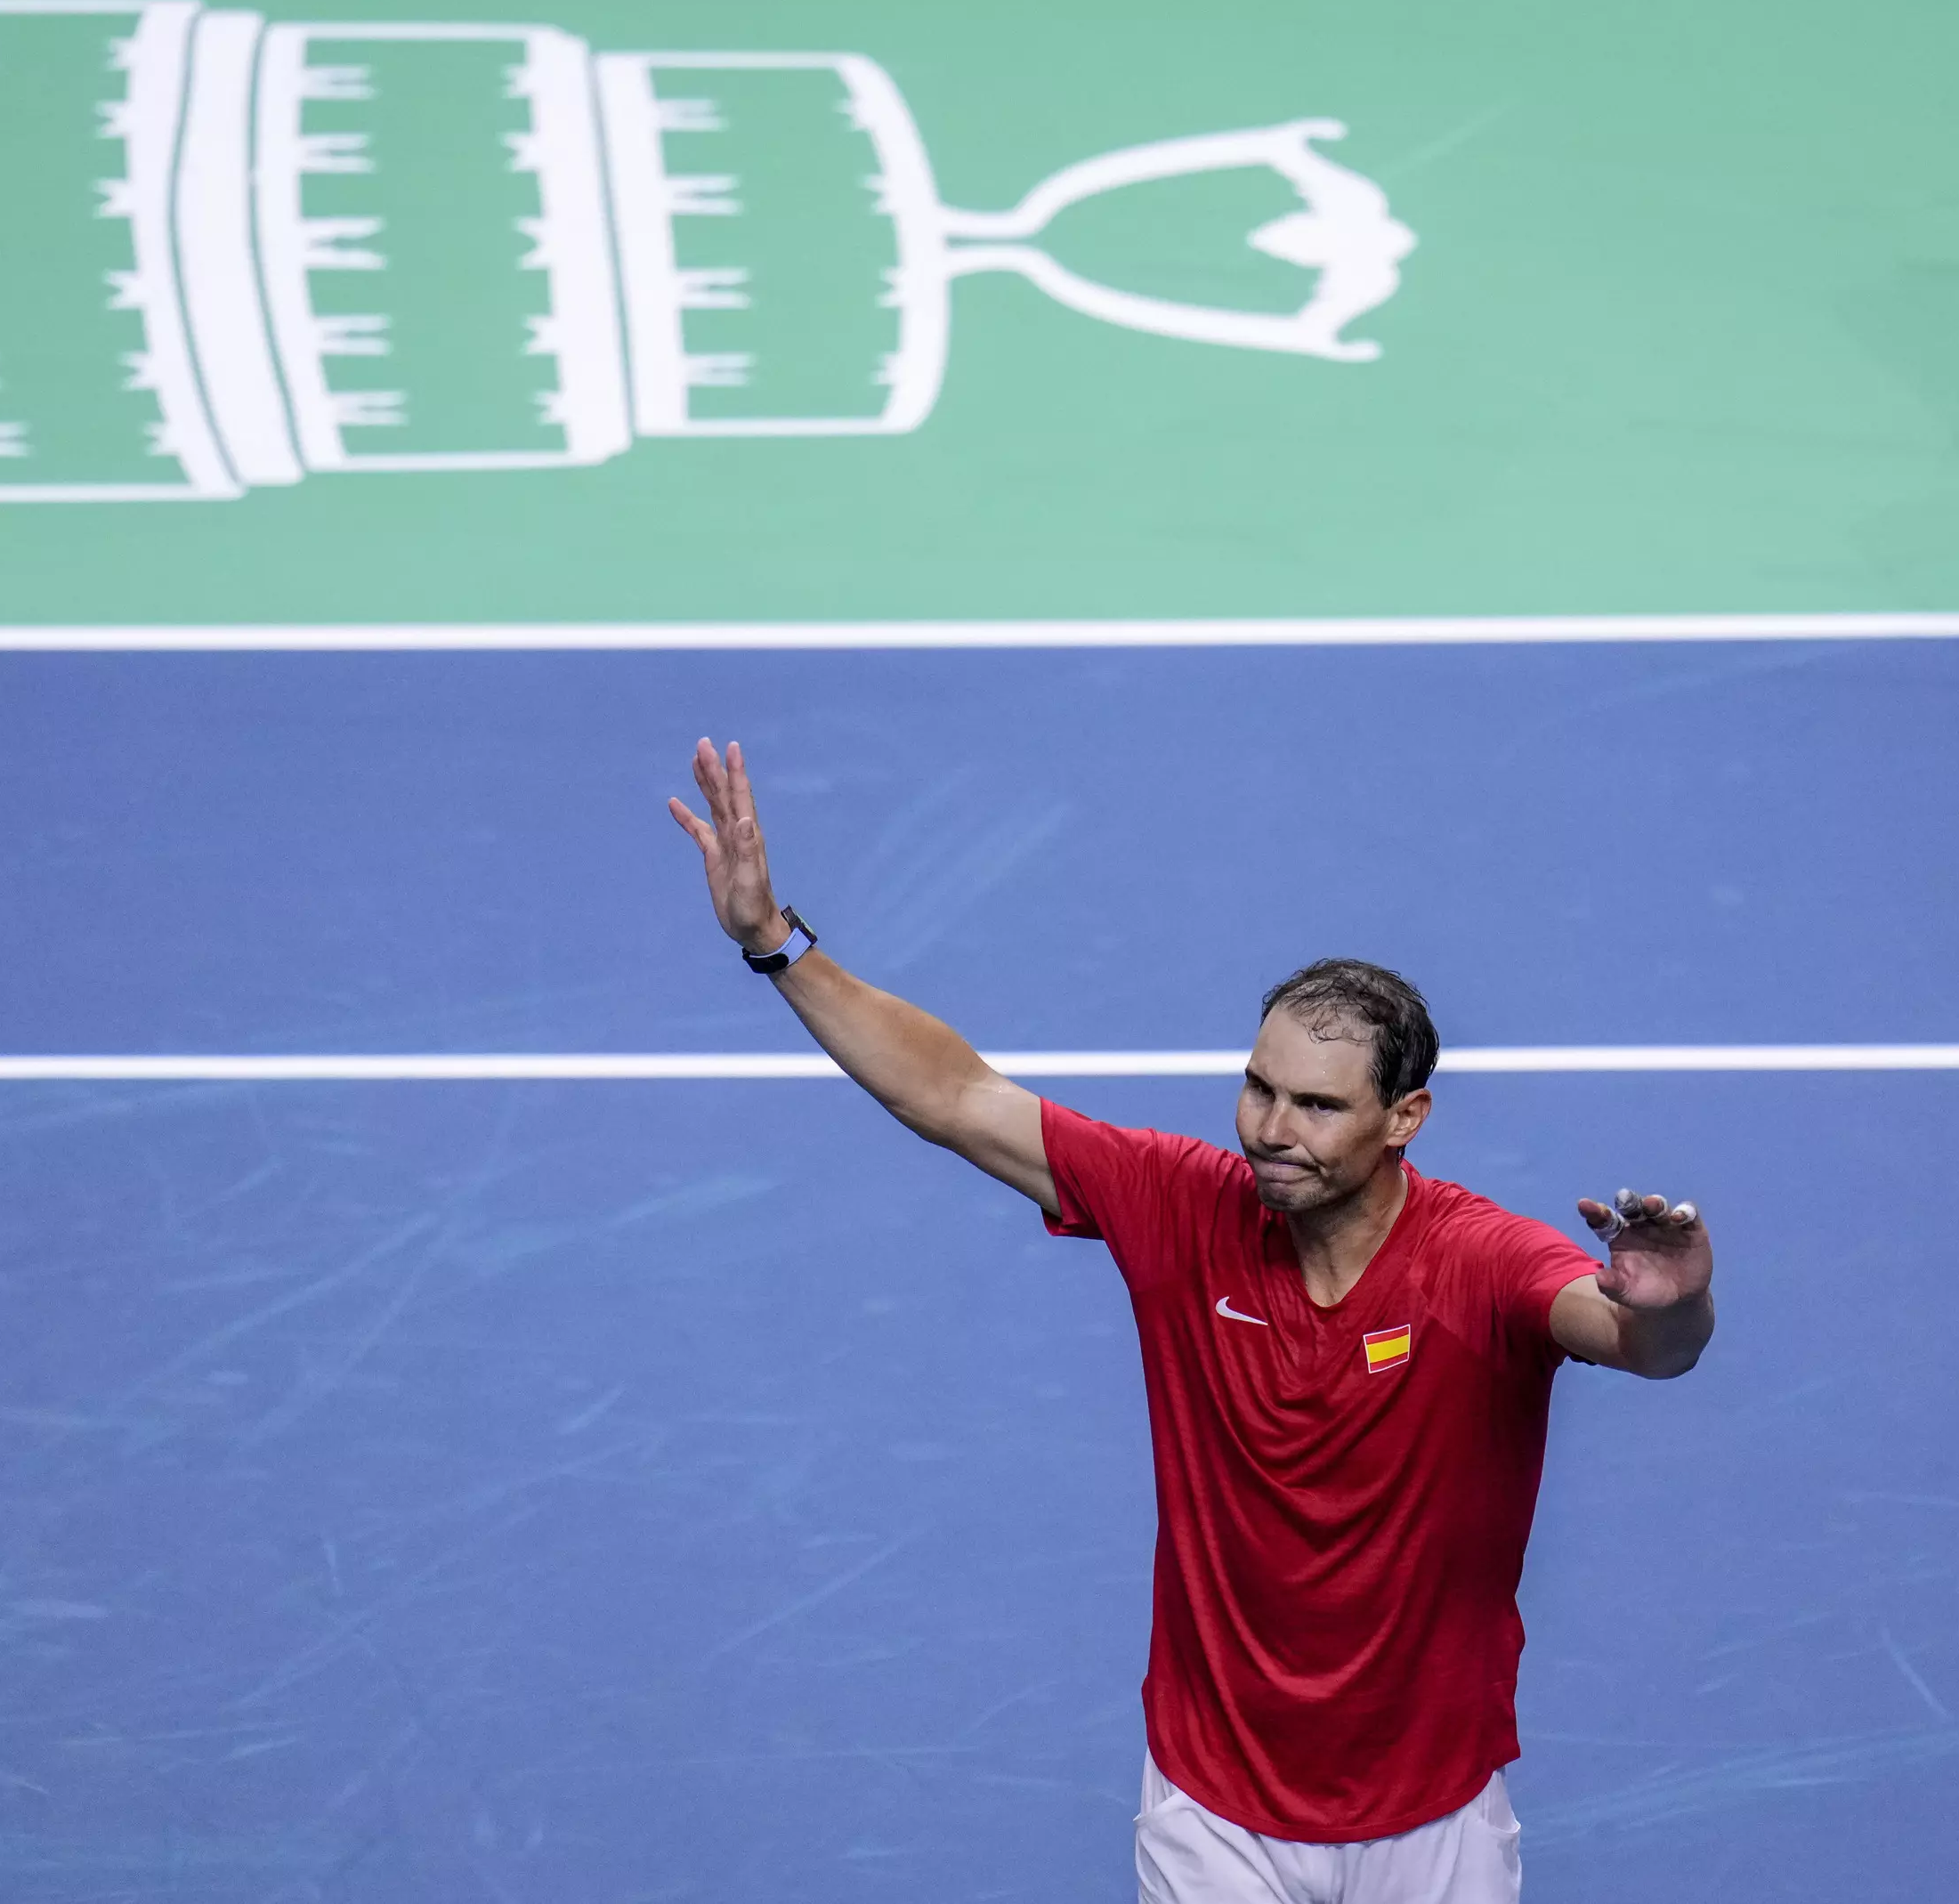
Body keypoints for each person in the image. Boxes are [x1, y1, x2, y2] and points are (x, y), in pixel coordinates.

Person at [668, 738, 1715, 1904]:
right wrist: (776, 944)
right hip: (1213, 1812)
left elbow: (1631, 1340)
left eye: (1317, 1107)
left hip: (1434, 1814)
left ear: (1405, 1116)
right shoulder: (1179, 1205)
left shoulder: (1476, 1259)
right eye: (1259, 1087)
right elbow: (958, 1097)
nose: (1270, 1129)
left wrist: (1677, 1307)